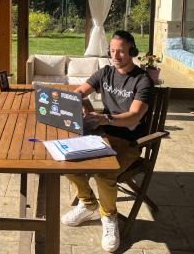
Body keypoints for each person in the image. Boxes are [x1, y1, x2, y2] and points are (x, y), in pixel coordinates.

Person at [61, 30, 154, 252]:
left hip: (128, 142)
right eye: (112, 50)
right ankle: (88, 204)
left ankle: (109, 217)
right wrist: (83, 104)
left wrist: (104, 118)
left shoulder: (142, 81)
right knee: (64, 160)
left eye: (121, 50)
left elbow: (134, 116)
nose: (116, 55)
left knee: (104, 172)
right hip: (102, 135)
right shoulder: (105, 73)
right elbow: (78, 92)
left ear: (132, 51)